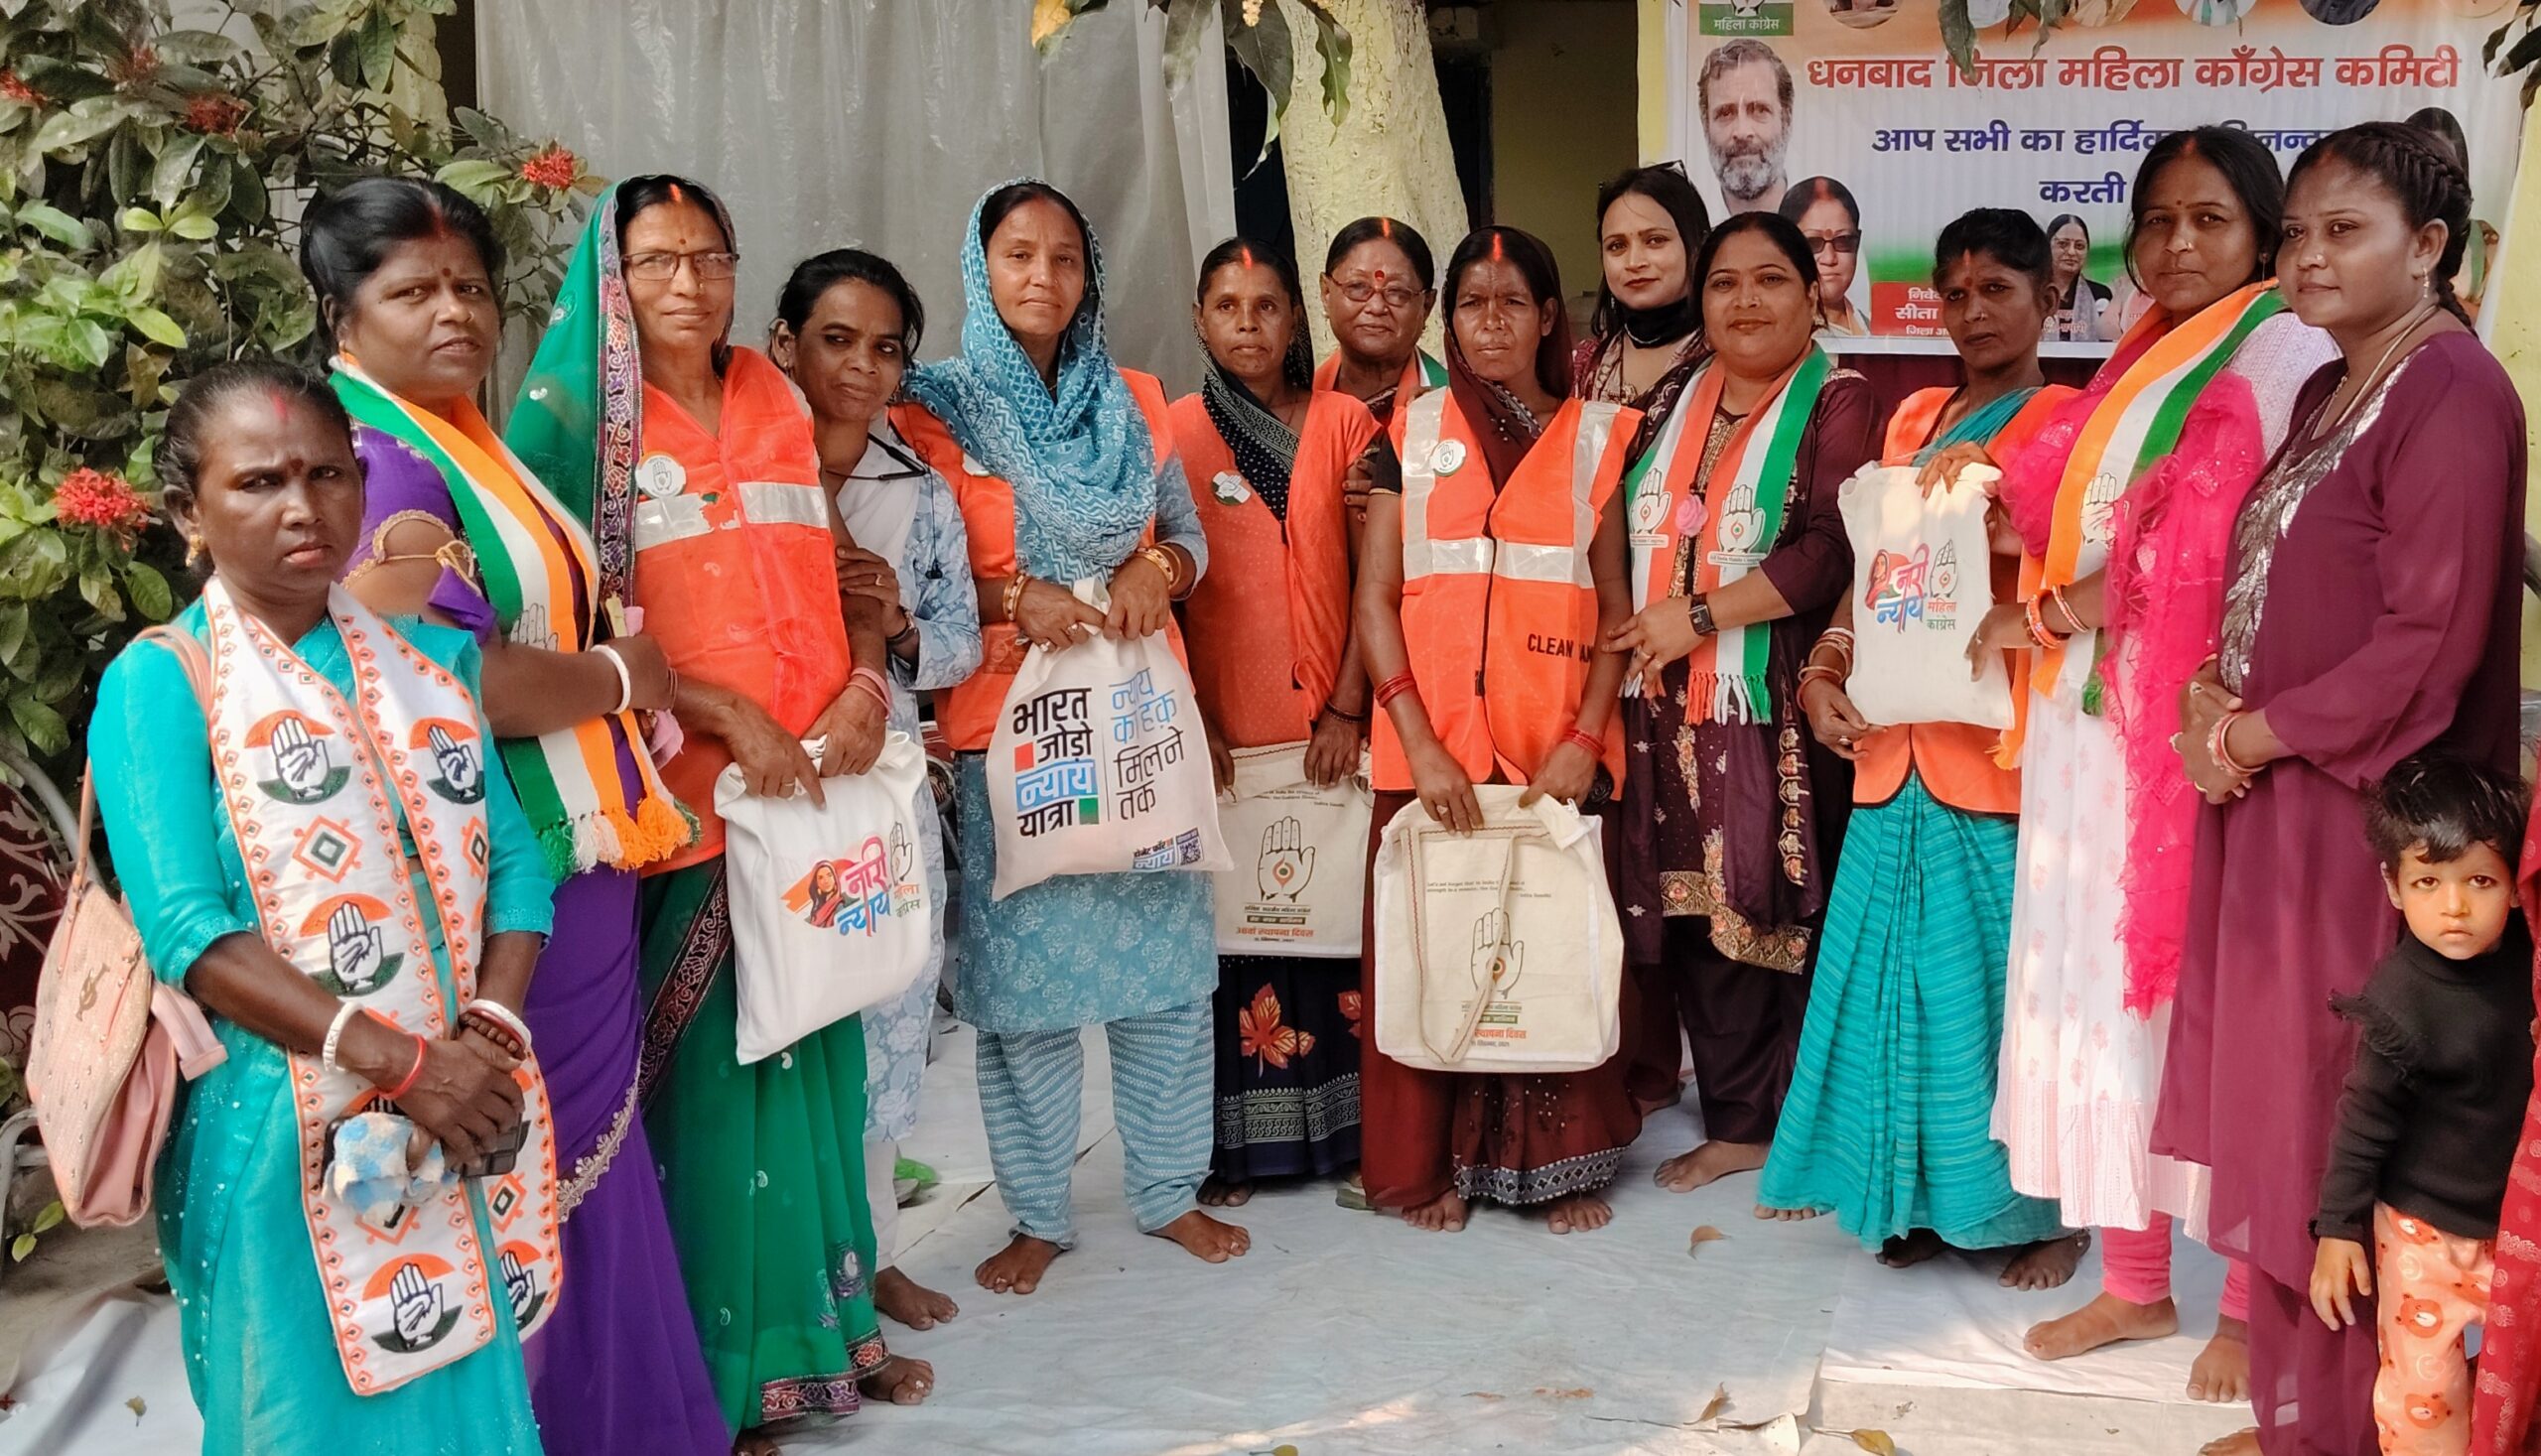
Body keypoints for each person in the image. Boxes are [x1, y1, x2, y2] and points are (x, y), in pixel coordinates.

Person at [297, 175, 728, 1456]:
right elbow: (442, 680)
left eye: (471, 287)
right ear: (341, 311)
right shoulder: (378, 464)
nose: (455, 313)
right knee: (534, 1171)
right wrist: (617, 679)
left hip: (560, 853)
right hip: (495, 874)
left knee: (578, 1157)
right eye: (412, 291)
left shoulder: (455, 440)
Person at [506, 174, 930, 1454]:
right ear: (612, 280)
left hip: (815, 796)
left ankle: (829, 1341)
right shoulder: (575, 426)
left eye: (709, 257)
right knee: (714, 1092)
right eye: (657, 261)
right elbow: (557, 628)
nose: (687, 284)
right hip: (685, 808)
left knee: (818, 1057)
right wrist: (725, 711)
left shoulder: (772, 393)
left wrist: (864, 681)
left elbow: (845, 571)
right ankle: (723, 1375)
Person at [1925, 128, 2333, 1406]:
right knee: (2096, 994)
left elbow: (2204, 545)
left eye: (2208, 219)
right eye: (2156, 220)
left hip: (2191, 731)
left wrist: (2048, 614)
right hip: (2085, 728)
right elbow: (2077, 501)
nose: (2176, 243)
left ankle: (2245, 1304)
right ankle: (2135, 1278)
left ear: (2261, 236)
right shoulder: (2142, 348)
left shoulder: (2283, 349)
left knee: (2201, 1003)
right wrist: (1990, 485)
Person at [92, 361, 557, 1454]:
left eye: (328, 474)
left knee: (461, 1400)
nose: (303, 507)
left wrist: (484, 1039)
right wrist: (405, 1064)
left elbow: (516, 868)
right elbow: (189, 933)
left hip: (457, 1107)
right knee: (302, 1416)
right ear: (188, 514)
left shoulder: (432, 664)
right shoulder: (164, 681)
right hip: (274, 1129)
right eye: (259, 482)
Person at [2162, 121, 2527, 1456]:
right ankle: (2302, 1411)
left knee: (2343, 1112)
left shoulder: (2454, 394)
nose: (2307, 256)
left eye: (2344, 231)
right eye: (2297, 233)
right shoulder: (2331, 383)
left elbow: (2429, 644)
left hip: (2364, 818)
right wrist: (2211, 700)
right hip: (2282, 801)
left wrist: (2253, 734)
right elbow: (2285, 584)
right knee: (2284, 1108)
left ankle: (2355, 1428)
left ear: (2428, 247)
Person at [900, 179, 1250, 1296]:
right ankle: (1039, 1215)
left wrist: (1158, 567)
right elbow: (910, 572)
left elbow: (1187, 535)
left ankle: (1167, 1191)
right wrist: (1014, 599)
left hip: (1139, 724)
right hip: (1014, 737)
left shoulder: (1135, 398)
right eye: (1018, 254)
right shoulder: (934, 409)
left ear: (1089, 275)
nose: (1043, 277)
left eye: (1064, 258)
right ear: (981, 268)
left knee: (1166, 981)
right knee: (1024, 1000)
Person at [1756, 208, 2083, 1285]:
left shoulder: (2070, 423)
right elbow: (1876, 570)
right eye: (1955, 292)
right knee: (1891, 987)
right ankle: (1906, 1197)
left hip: (1995, 750)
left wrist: (2007, 516)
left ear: (2049, 299)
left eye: (1998, 289)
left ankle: (2042, 1213)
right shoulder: (1912, 421)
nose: (1973, 311)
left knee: (1988, 996)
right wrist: (1823, 669)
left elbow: (2094, 569)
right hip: (1891, 745)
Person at [1353, 224, 1643, 1236]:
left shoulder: (1597, 438)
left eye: (1511, 302)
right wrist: (1418, 741)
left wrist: (1585, 740)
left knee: (1544, 947)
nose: (1490, 323)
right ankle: (1425, 1167)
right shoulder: (1407, 430)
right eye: (1472, 304)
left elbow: (1616, 609)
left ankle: (1557, 1168)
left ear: (1548, 315)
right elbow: (1376, 598)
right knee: (1431, 950)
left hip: (1547, 753)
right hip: (1428, 751)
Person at [1608, 211, 1877, 1196]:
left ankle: (1790, 1120)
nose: (1746, 300)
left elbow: (1829, 548)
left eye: (1771, 279)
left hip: (1769, 698)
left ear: (1813, 294)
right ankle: (1735, 1119)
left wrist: (1697, 617)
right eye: (1725, 282)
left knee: (1770, 899)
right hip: (1662, 702)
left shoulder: (1839, 400)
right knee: (1690, 906)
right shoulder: (1671, 399)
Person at [768, 247, 983, 1336]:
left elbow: (960, 647)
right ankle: (785, 1273)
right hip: (764, 782)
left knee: (891, 1011)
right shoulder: (742, 477)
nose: (862, 366)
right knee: (782, 1015)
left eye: (886, 347)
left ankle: (875, 1251)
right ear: (784, 345)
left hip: (882, 784)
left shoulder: (919, 490)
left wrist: (896, 621)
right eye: (836, 340)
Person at [1170, 237, 1383, 1204]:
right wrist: (1195, 721)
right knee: (1241, 939)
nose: (1248, 324)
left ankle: (1354, 1139)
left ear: (1296, 318)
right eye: (1227, 306)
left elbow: (1375, 578)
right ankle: (1243, 1152)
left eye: (1266, 306)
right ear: (1199, 319)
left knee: (1335, 932)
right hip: (1227, 733)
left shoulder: (1345, 425)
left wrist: (1347, 704)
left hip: (1331, 725)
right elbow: (1165, 596)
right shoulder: (1174, 431)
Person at [2310, 757, 2531, 1456]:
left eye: (2480, 881)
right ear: (2394, 887)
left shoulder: (2530, 964)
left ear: (2517, 886)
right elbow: (2362, 1123)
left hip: (2519, 1227)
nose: (2454, 906)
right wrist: (2337, 1228)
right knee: (2423, 1396)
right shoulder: (2400, 1000)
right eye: (2429, 882)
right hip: (2421, 1234)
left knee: (2521, 1382)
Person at [1570, 163, 1709, 1112]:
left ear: (1694, 246)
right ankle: (1639, 1056)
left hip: (1700, 643)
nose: (1636, 260)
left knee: (1698, 849)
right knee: (1621, 852)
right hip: (1592, 638)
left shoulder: (1728, 357)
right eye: (1617, 244)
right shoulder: (1583, 365)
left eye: (1656, 239)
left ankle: (1724, 1066)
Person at [1315, 215, 1446, 436]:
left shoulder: (1454, 407)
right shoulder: (1296, 408)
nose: (1376, 307)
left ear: (1426, 305)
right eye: (1357, 287)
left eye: (1397, 292)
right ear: (1326, 292)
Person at [2404, 108, 2500, 322]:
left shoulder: (2484, 241)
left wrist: (2435, 294)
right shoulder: (2382, 232)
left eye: (2443, 164)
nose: (2434, 175)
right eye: (2423, 163)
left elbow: (2497, 323)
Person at [1698, 40, 1794, 215]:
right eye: (1725, 113)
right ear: (1705, 124)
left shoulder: (1825, 218)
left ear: (1786, 119)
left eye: (1759, 110)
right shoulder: (1685, 223)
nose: (1742, 132)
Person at [1780, 178, 1868, 336]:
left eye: (1843, 240)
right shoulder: (1774, 332)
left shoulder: (1874, 331)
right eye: (1813, 243)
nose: (1829, 259)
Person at [2044, 213, 2113, 343]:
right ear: (2047, 247)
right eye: (2063, 244)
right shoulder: (2032, 292)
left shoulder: (2100, 295)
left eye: (2079, 246)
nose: (2071, 252)